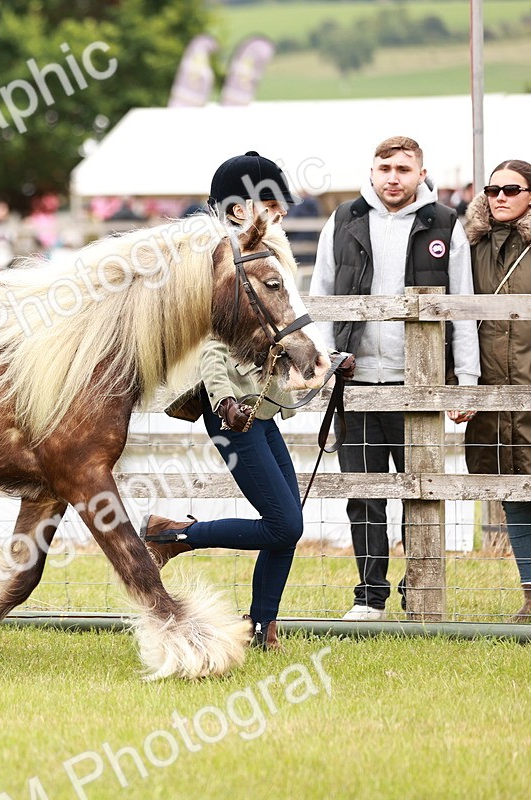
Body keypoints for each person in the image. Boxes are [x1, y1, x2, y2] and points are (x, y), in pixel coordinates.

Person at [145, 151, 350, 650]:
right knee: (284, 523)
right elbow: (212, 345)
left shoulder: (262, 253)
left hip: (261, 407)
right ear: (242, 209)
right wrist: (221, 405)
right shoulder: (222, 262)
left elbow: (285, 326)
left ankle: (262, 626)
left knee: (287, 525)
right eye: (272, 204)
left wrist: (322, 361)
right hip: (234, 415)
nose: (281, 213)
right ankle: (173, 535)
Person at [310, 136, 480, 620]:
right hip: (356, 381)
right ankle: (369, 597)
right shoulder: (343, 220)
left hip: (418, 383)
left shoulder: (445, 224)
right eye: (385, 167)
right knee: (363, 494)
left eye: (404, 168)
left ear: (420, 173)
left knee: (419, 492)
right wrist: (326, 361)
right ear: (372, 169)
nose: (393, 177)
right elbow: (320, 295)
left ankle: (418, 591)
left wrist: (465, 379)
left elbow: (463, 307)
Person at [463, 160, 531, 622]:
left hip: (528, 386)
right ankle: (530, 597)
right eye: (492, 189)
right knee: (512, 493)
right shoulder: (468, 248)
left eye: (511, 189)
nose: (500, 197)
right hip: (491, 392)